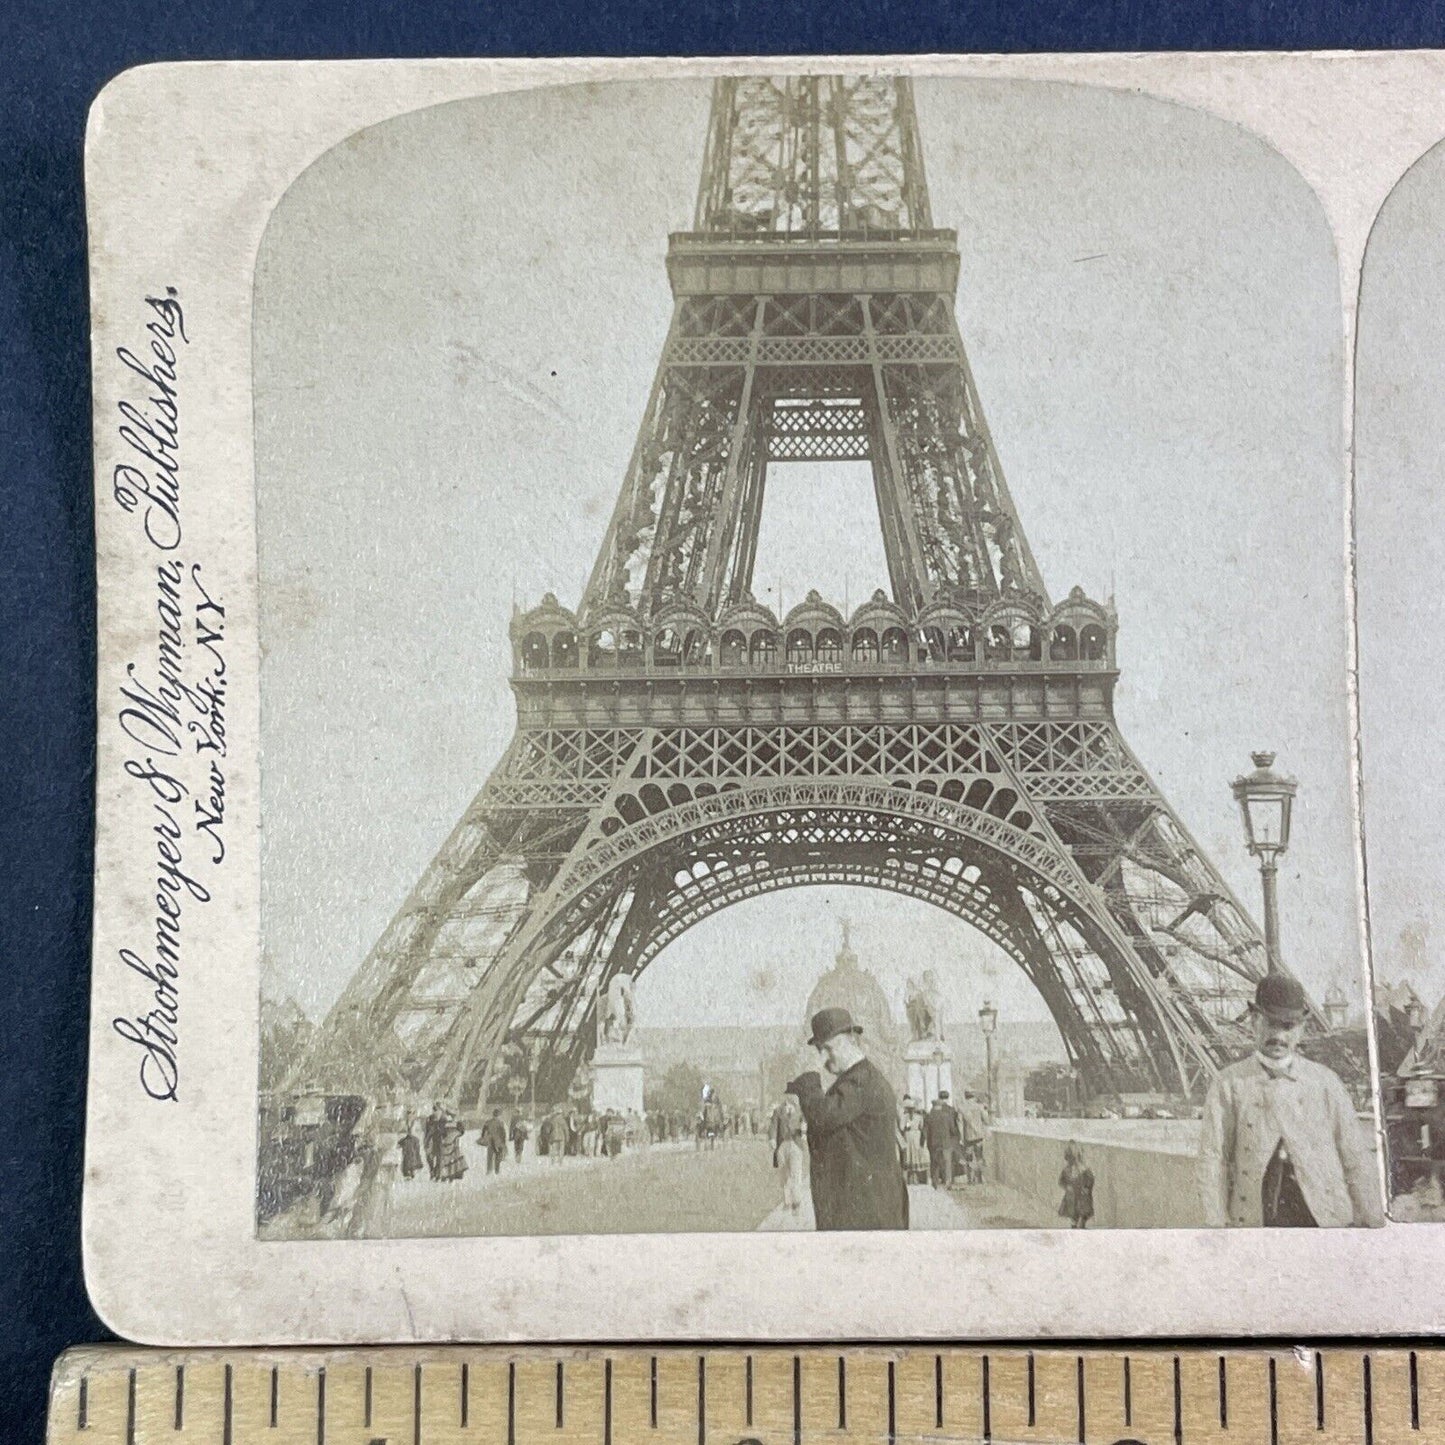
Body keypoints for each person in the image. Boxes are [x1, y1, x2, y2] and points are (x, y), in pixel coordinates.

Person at [1198, 973, 1383, 1228]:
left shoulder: (1326, 1083)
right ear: (1254, 1021)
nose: (1279, 1036)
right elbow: (1213, 1159)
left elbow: (1354, 1157)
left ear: (1302, 1029)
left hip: (1323, 1218)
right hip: (1258, 1218)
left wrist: (1373, 1222)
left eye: (1288, 1027)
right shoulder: (1227, 1085)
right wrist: (1216, 1225)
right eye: (1271, 1024)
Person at [787, 1006, 909, 1231]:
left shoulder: (860, 1082)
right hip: (867, 1207)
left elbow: (821, 1117)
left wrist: (810, 1076)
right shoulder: (859, 1079)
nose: (823, 1059)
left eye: (828, 1049)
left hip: (866, 1212)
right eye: (819, 1051)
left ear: (851, 1040)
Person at [771, 1090, 808, 1213]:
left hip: (796, 1145)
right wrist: (772, 1139)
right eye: (788, 1095)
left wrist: (804, 1129)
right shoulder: (778, 1111)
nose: (790, 1097)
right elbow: (773, 1126)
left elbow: (806, 1123)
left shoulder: (800, 1110)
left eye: (792, 1094)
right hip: (782, 1145)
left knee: (796, 1174)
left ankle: (796, 1202)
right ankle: (787, 1202)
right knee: (784, 1174)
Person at [923, 1091, 962, 1189]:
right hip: (946, 1142)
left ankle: (934, 1182)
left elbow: (925, 1131)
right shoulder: (947, 1115)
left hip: (933, 1143)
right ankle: (948, 1182)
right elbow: (953, 1129)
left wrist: (926, 1141)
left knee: (934, 1162)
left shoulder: (929, 1116)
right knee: (947, 1162)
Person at [1058, 1141, 1095, 1228]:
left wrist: (1086, 1188)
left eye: (1073, 1158)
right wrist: (1067, 1187)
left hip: (1083, 1197)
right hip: (1072, 1198)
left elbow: (1090, 1181)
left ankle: (1081, 1226)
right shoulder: (1066, 1170)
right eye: (1069, 1158)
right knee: (1073, 1218)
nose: (1071, 1161)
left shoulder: (1084, 1169)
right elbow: (1061, 1181)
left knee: (1083, 1217)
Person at [898, 1096, 928, 1185]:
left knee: (912, 1154)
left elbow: (902, 1127)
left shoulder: (914, 1117)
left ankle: (913, 1178)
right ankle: (912, 1178)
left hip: (912, 1136)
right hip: (913, 1136)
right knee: (912, 1154)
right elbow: (903, 1127)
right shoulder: (911, 1117)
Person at [480, 1108, 508, 1175]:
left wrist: (483, 1137)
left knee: (490, 1155)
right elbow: (503, 1133)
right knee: (498, 1156)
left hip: (490, 1140)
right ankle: (497, 1170)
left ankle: (489, 1170)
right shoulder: (501, 1123)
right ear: (499, 1115)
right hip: (499, 1141)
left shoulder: (488, 1122)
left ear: (493, 1114)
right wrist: (504, 1142)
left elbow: (484, 1131)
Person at [422, 1102, 446, 1182]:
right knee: (430, 1157)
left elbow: (444, 1130)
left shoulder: (443, 1118)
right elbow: (426, 1130)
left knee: (438, 1157)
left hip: (438, 1139)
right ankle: (433, 1171)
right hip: (432, 1139)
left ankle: (436, 1173)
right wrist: (426, 1140)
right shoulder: (429, 1118)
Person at [398, 1116, 424, 1180]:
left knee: (410, 1162)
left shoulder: (414, 1139)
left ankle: (410, 1173)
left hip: (410, 1153)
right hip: (408, 1153)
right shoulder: (406, 1140)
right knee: (407, 1162)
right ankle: (408, 1173)